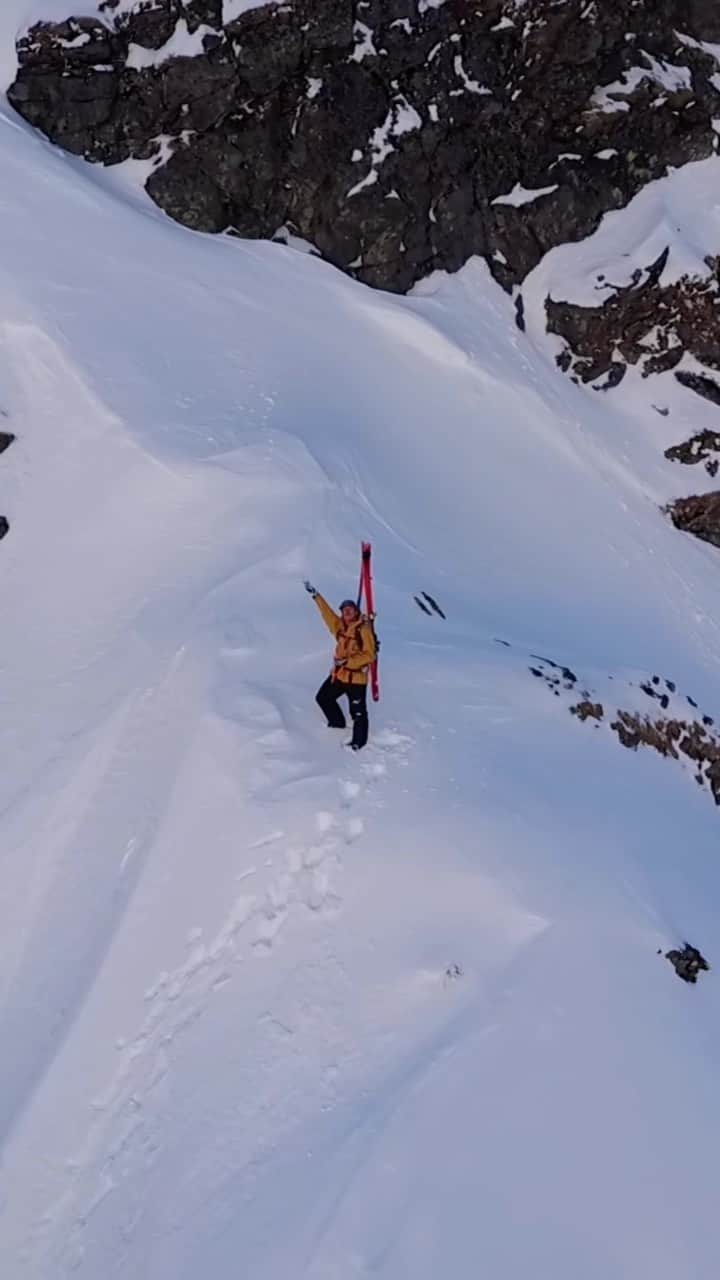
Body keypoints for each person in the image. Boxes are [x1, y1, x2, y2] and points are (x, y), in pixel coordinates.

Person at [304, 580, 376, 750]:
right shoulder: (340, 627)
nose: (347, 612)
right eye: (344, 610)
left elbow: (370, 655)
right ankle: (337, 724)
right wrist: (316, 596)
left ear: (356, 612)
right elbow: (327, 614)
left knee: (358, 713)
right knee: (323, 697)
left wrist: (348, 662)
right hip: (340, 675)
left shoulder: (363, 630)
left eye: (350, 609)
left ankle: (358, 743)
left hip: (357, 679)